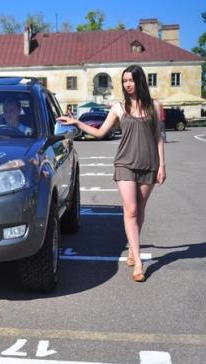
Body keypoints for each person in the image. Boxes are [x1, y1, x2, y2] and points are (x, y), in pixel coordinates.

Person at [58, 64, 166, 282]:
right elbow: (99, 132)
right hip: (125, 164)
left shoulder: (154, 106)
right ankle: (138, 263)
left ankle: (133, 250)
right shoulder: (118, 108)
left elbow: (159, 137)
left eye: (131, 80)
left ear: (139, 81)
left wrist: (162, 165)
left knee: (140, 210)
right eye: (125, 80)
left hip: (149, 164)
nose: (127, 84)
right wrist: (78, 122)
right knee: (131, 210)